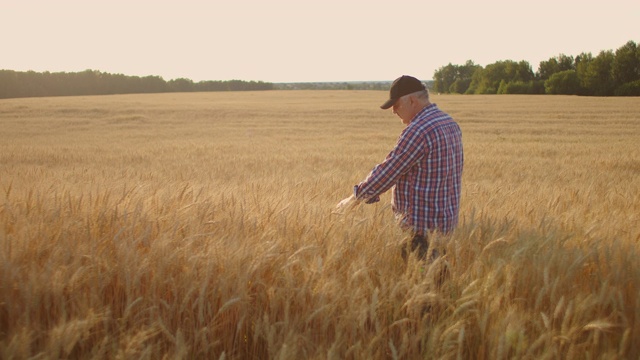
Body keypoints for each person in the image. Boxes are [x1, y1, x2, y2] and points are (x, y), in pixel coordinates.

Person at [336, 75, 463, 262]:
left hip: (420, 233)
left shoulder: (419, 130)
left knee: (422, 284)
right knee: (438, 282)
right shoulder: (448, 122)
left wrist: (355, 198)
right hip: (445, 225)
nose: (394, 111)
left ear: (412, 100)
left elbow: (390, 171)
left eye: (396, 105)